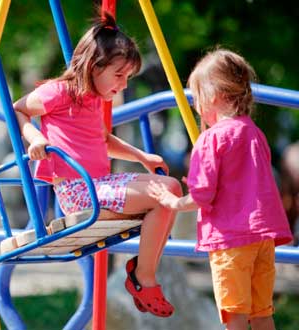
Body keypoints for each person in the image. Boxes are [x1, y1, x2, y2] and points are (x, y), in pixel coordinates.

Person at [13, 12, 181, 317]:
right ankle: (143, 278)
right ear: (95, 66)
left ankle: (142, 273)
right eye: (119, 75)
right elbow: (18, 110)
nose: (123, 84)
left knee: (170, 190)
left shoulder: (93, 99)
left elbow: (102, 140)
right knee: (164, 192)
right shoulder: (59, 92)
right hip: (79, 193)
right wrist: (35, 138)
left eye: (128, 77)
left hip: (97, 187)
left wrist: (143, 157)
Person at [147, 48, 292, 329]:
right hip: (261, 239)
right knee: (262, 313)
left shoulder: (209, 139)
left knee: (234, 317)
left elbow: (202, 195)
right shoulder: (254, 132)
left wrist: (172, 201)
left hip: (231, 240)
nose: (196, 107)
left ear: (214, 95)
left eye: (197, 98)